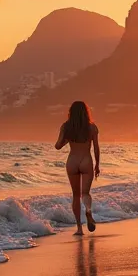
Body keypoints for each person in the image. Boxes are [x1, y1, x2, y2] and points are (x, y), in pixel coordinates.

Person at [55, 101, 100, 236]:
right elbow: (96, 148)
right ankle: (88, 210)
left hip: (72, 161)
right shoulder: (92, 128)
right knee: (85, 193)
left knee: (75, 195)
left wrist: (67, 139)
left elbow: (58, 146)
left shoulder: (66, 127)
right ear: (86, 112)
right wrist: (97, 165)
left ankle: (79, 229)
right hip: (86, 160)